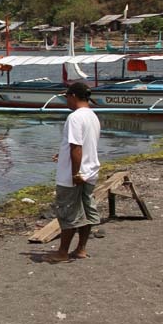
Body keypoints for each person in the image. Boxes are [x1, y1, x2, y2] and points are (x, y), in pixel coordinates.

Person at [46, 81, 101, 262]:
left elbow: (76, 147)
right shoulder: (92, 116)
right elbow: (82, 144)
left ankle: (62, 252)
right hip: (91, 170)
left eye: (67, 97)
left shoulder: (75, 117)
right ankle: (81, 249)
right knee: (86, 211)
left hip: (75, 174)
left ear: (74, 96)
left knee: (67, 212)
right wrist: (61, 154)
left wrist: (75, 173)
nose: (66, 101)